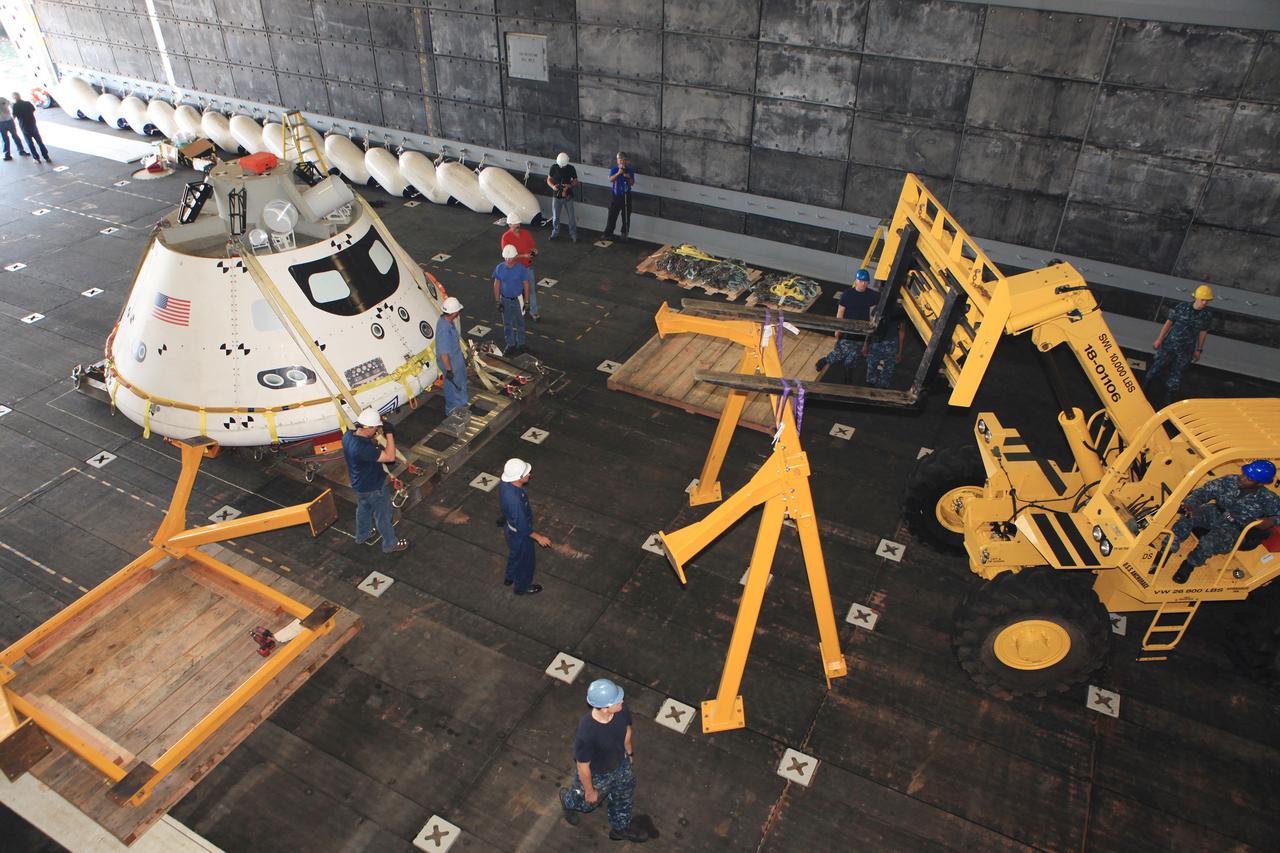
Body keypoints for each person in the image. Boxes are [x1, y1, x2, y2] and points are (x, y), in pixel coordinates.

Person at [559, 679, 647, 843]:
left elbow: (627, 730)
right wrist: (589, 791)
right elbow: (582, 766)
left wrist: (629, 753)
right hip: (598, 774)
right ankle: (568, 801)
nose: (622, 701)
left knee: (624, 792)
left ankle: (620, 828)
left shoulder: (620, 710)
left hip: (621, 763)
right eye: (617, 701)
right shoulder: (587, 732)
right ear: (605, 708)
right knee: (586, 803)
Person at [1166, 460, 1280, 584]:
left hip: (1234, 526)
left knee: (1209, 543)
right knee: (1187, 518)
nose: (1242, 478)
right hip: (1215, 512)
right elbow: (1204, 491)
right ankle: (1166, 550)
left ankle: (1188, 565)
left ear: (1260, 483)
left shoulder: (1268, 498)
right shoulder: (1230, 480)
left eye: (1249, 479)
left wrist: (1272, 520)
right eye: (1244, 474)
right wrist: (1190, 504)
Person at [341, 407, 410, 553]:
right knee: (383, 515)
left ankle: (362, 534)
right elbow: (390, 457)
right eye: (375, 428)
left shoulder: (347, 436)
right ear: (369, 428)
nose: (377, 431)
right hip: (374, 487)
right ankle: (390, 544)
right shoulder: (363, 448)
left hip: (359, 484)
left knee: (363, 509)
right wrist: (389, 434)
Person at [1144, 286, 1214, 407]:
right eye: (1202, 299)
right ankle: (1145, 387)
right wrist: (1159, 339)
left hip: (1186, 350)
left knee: (1177, 374)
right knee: (1156, 367)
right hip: (1169, 345)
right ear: (1196, 298)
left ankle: (1168, 397)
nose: (1204, 303)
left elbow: (1203, 332)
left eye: (1207, 300)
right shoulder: (1182, 307)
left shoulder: (1206, 315)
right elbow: (1168, 323)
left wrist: (1199, 349)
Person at [498, 457, 550, 595]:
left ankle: (509, 577)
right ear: (519, 477)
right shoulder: (515, 501)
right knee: (526, 561)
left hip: (510, 529)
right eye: (527, 473)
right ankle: (522, 587)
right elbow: (522, 527)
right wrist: (539, 537)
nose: (529, 475)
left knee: (515, 554)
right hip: (520, 535)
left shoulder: (505, 484)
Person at [815, 268, 877, 381]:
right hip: (847, 330)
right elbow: (840, 312)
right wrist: (837, 329)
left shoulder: (871, 296)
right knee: (839, 352)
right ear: (856, 281)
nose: (863, 284)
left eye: (866, 282)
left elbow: (871, 315)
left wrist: (869, 334)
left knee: (854, 354)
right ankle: (825, 360)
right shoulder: (847, 295)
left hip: (862, 331)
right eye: (861, 281)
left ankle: (848, 370)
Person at [493, 243, 532, 354]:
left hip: (518, 300)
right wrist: (497, 301)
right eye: (506, 258)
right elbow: (496, 284)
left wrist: (526, 301)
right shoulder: (499, 268)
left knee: (520, 323)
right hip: (504, 299)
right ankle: (510, 344)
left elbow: (526, 285)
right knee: (507, 324)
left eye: (510, 258)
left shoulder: (521, 269)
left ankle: (521, 344)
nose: (508, 260)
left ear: (515, 257)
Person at [500, 216, 540, 321]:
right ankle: (517, 311)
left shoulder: (526, 233)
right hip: (515, 269)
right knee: (515, 292)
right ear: (509, 225)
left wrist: (534, 251)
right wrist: (524, 256)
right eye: (515, 223)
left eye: (518, 223)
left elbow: (532, 246)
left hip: (527, 267)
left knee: (531, 290)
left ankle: (534, 311)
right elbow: (507, 256)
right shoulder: (506, 237)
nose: (517, 225)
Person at [435, 296, 468, 419]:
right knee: (453, 387)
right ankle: (453, 411)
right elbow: (444, 354)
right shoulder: (444, 330)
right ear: (454, 313)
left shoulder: (446, 321)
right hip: (451, 364)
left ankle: (462, 405)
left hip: (455, 360)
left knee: (460, 384)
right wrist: (449, 370)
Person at [865, 292, 906, 389]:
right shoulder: (900, 312)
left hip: (879, 341)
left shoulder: (878, 309)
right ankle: (880, 387)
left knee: (873, 366)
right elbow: (901, 332)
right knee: (886, 369)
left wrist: (866, 344)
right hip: (889, 343)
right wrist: (900, 351)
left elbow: (870, 327)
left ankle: (871, 386)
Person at [602, 151, 635, 242]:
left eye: (623, 160)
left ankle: (624, 234)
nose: (622, 162)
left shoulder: (630, 170)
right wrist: (618, 173)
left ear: (626, 161)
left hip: (626, 195)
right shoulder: (614, 169)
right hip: (616, 196)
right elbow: (610, 179)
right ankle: (608, 234)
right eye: (620, 160)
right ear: (617, 161)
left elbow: (632, 183)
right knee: (612, 215)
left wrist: (628, 176)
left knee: (626, 216)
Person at [547, 152, 578, 242]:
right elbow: (549, 179)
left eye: (563, 166)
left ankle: (573, 234)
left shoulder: (571, 168)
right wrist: (553, 186)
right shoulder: (553, 167)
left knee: (571, 217)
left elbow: (575, 180)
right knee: (555, 217)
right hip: (556, 196)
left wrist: (569, 186)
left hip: (568, 196)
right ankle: (555, 232)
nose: (561, 167)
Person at [11, 93, 49, 163]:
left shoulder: (15, 106)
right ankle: (46, 156)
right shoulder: (27, 103)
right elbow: (33, 110)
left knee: (30, 143)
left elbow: (13, 116)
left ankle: (36, 158)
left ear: (14, 98)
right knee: (39, 141)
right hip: (32, 124)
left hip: (24, 126)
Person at [0, 96, 28, 160]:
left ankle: (21, 150)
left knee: (15, 136)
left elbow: (12, 105)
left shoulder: (3, 99)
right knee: (4, 139)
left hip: (9, 120)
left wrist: (13, 114)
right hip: (1, 123)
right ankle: (7, 155)